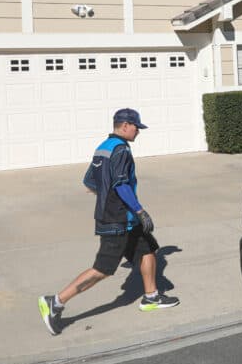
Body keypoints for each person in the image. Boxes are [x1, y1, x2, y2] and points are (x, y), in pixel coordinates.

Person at [38, 108, 178, 336]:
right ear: (124, 126)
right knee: (103, 269)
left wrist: (106, 194)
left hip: (122, 217)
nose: (138, 132)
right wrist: (140, 210)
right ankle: (56, 301)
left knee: (148, 249)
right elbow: (121, 184)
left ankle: (151, 297)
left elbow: (89, 181)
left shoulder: (103, 148)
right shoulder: (122, 150)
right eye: (136, 127)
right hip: (118, 219)